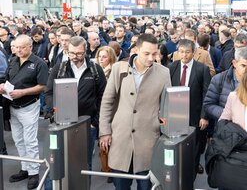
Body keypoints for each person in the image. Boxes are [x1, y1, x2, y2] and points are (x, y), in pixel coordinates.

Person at [99, 34, 171, 190]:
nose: (151, 58)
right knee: (121, 186)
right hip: (120, 139)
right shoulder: (119, 68)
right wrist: (104, 131)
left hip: (148, 143)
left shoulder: (164, 73)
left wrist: (162, 130)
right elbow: (107, 101)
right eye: (147, 53)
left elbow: (167, 108)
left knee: (146, 186)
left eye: (155, 53)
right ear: (136, 50)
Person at [45, 36, 107, 170]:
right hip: (62, 123)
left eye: (79, 53)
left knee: (84, 164)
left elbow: (103, 97)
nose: (74, 56)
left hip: (87, 124)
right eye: (71, 52)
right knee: (58, 162)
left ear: (85, 51)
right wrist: (55, 111)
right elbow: (49, 93)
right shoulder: (59, 68)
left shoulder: (95, 70)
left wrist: (94, 123)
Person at [0, 35, 48, 189]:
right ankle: (25, 168)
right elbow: (8, 79)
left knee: (30, 141)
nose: (18, 50)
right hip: (12, 105)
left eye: (22, 47)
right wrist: (3, 87)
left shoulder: (39, 63)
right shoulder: (13, 60)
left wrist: (23, 92)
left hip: (29, 106)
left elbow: (43, 86)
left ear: (30, 47)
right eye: (16, 47)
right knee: (18, 140)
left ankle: (34, 173)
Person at [168, 39, 211, 175]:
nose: (184, 55)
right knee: (176, 145)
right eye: (181, 52)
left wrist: (204, 116)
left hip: (195, 114)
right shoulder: (171, 67)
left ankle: (192, 171)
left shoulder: (202, 69)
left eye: (187, 52)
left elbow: (206, 94)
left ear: (193, 52)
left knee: (195, 146)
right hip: (175, 114)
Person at [203, 47, 247, 121]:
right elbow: (208, 105)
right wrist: (228, 114)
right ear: (234, 63)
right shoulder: (219, 79)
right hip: (225, 127)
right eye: (243, 65)